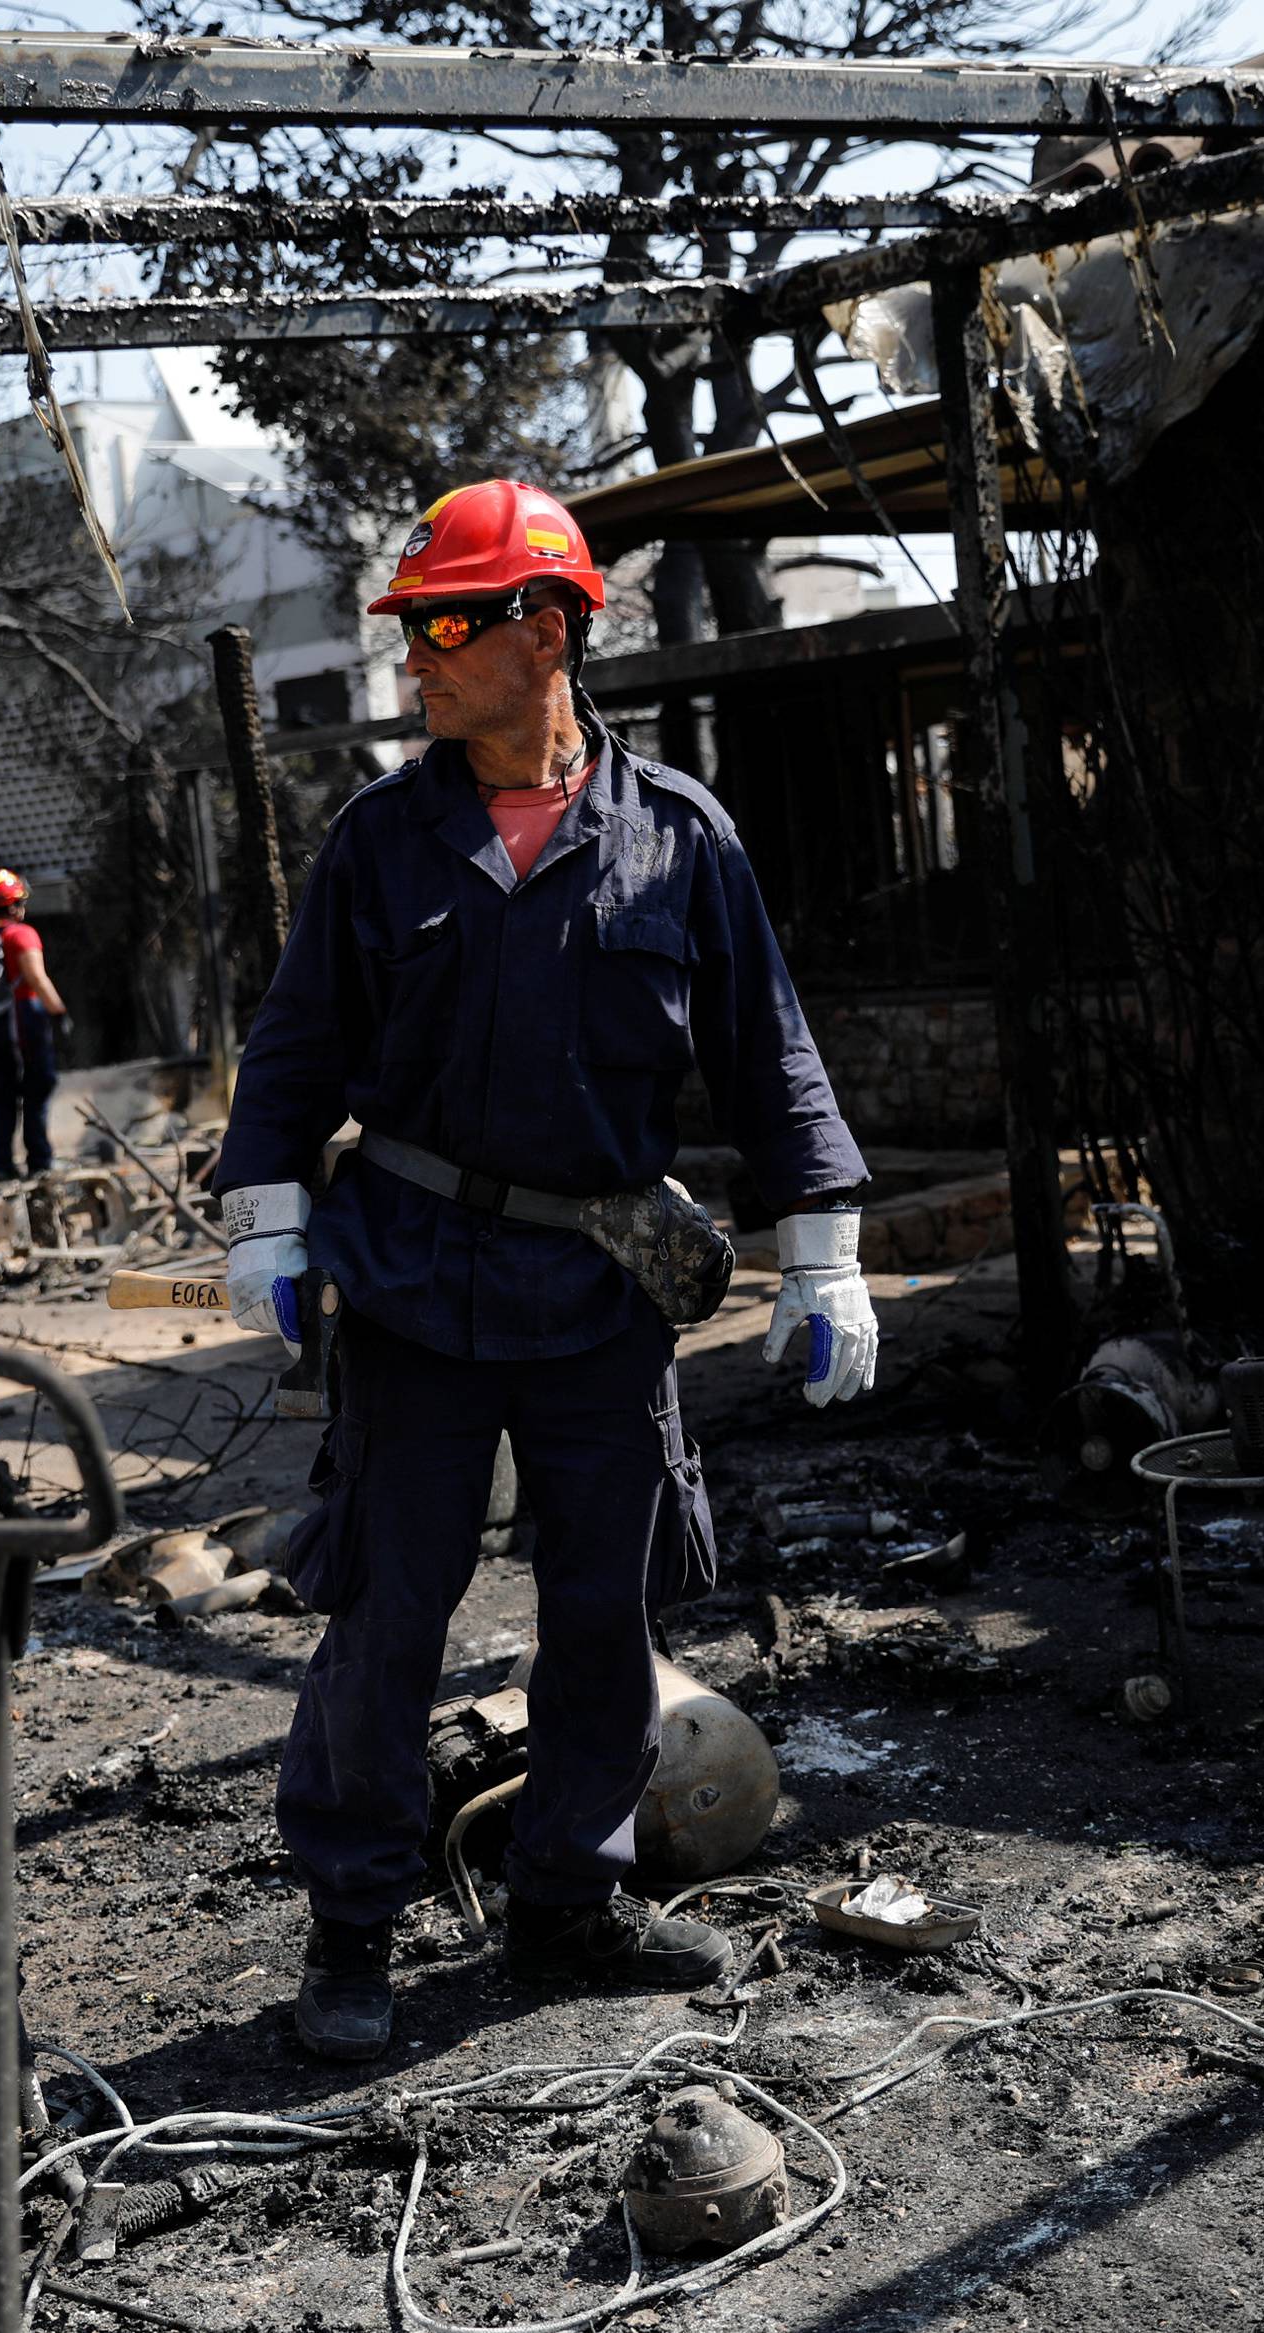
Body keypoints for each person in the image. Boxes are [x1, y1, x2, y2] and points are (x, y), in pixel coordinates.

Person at [212, 480, 877, 2061]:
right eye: (413, 628)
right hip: (417, 1279)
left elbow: (768, 1055)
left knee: (603, 1603)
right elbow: (297, 1043)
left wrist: (827, 1254)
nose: (418, 661)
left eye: (449, 624)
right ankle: (353, 1925)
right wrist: (262, 1212)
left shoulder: (681, 838)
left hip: (599, 1284)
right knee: (390, 1610)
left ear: (550, 629)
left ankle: (568, 1897)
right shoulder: (381, 839)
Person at [0, 868, 70, 1181]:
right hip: (23, 1024)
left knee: (2, 1098)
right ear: (14, 905)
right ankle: (40, 1162)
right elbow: (35, 977)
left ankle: (2, 1166)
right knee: (36, 1090)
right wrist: (59, 1013)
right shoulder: (22, 935)